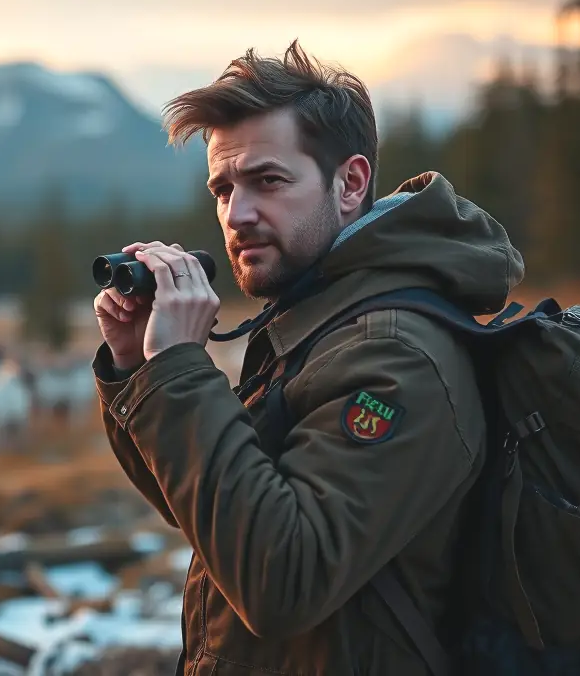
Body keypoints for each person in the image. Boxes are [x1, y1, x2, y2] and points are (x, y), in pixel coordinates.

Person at [92, 39, 524, 675]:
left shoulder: (395, 357)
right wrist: (139, 371)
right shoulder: (319, 318)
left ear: (350, 183)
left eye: (268, 180)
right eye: (222, 188)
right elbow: (220, 518)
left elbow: (280, 582)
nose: (236, 215)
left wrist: (178, 375)